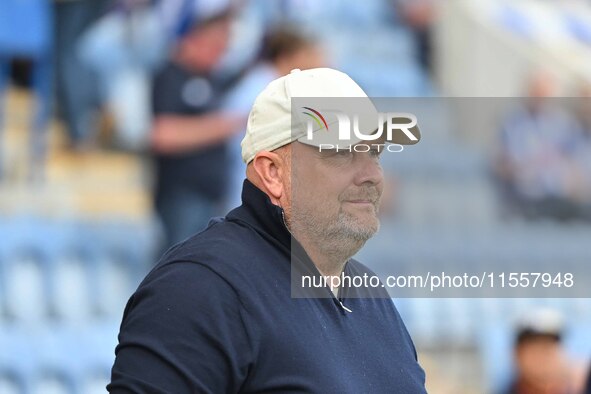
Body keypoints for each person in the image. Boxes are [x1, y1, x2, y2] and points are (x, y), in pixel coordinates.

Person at [108, 68, 426, 393]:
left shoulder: (371, 295)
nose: (371, 174)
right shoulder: (200, 288)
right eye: (342, 152)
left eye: (374, 152)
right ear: (273, 172)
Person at [150, 7, 244, 248]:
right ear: (193, 39)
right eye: (215, 45)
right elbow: (162, 135)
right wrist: (222, 127)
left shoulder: (212, 80)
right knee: (179, 270)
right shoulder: (171, 76)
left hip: (211, 198)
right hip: (182, 196)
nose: (220, 53)